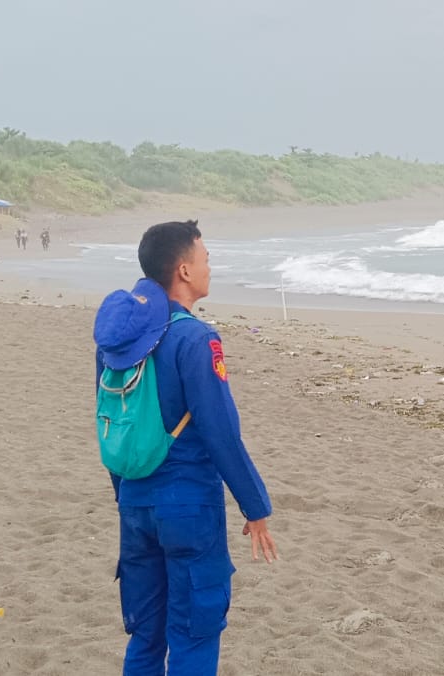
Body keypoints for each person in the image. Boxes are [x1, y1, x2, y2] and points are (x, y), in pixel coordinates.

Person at [94, 220, 276, 676]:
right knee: (195, 630)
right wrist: (255, 507)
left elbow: (111, 424)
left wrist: (124, 492)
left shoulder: (116, 342)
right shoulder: (195, 338)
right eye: (205, 259)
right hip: (188, 506)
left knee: (146, 633)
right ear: (184, 270)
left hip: (134, 500)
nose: (210, 267)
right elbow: (221, 432)